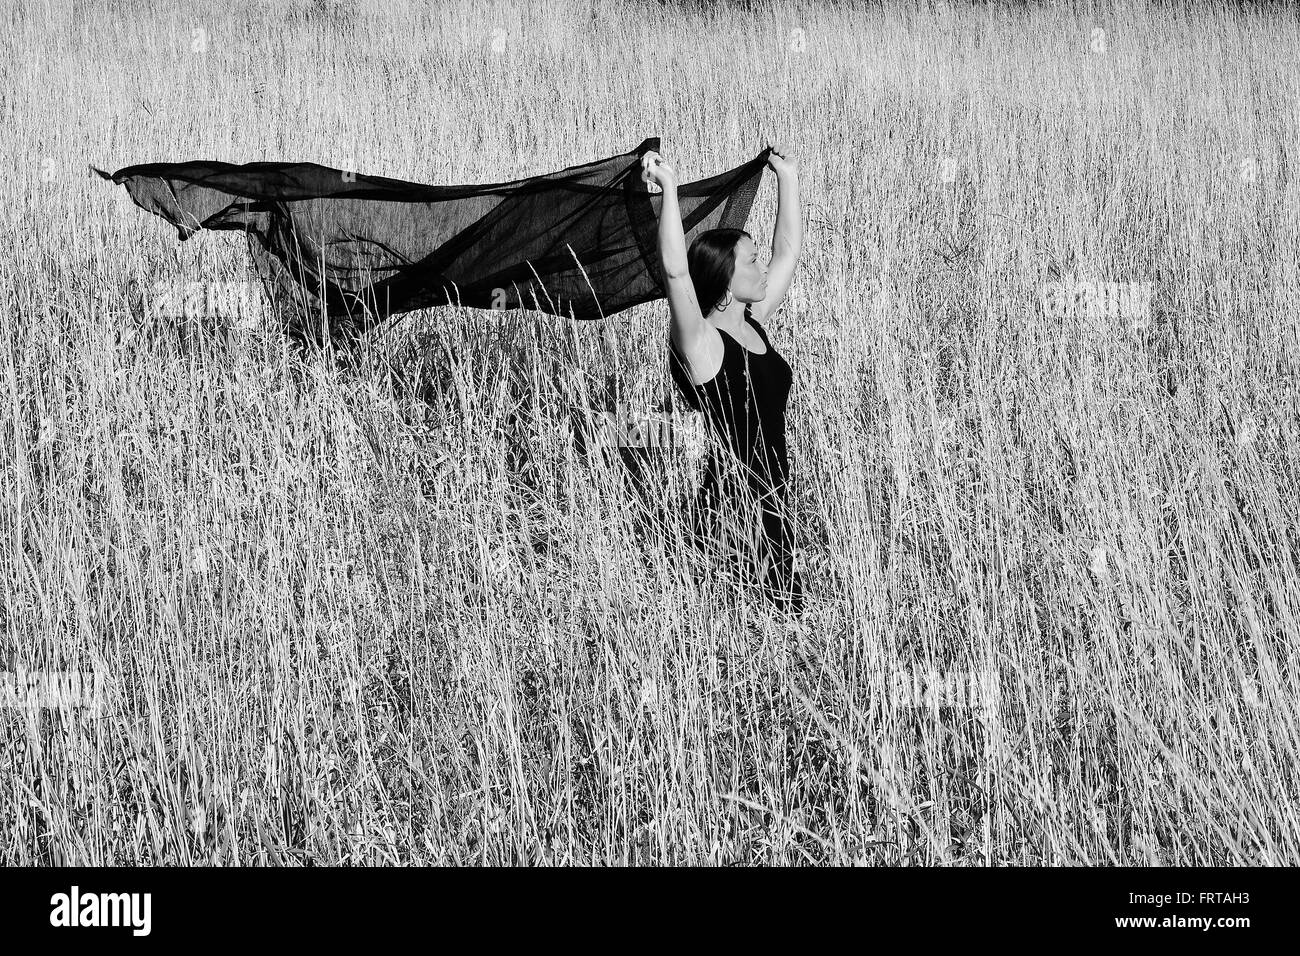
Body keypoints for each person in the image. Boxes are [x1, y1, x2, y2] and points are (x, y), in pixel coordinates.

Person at [642, 147, 805, 615]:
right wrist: (669, 189)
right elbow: (676, 271)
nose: (762, 267)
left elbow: (787, 252)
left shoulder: (752, 323)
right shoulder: (703, 345)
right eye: (751, 261)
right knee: (754, 622)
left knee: (783, 620)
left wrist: (787, 178)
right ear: (727, 279)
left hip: (772, 501)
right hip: (732, 512)